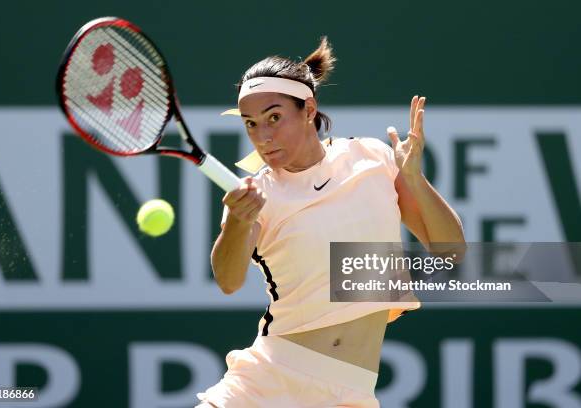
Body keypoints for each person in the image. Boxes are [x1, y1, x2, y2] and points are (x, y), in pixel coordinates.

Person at [196, 38, 465, 407]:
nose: (264, 136)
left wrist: (415, 180)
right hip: (266, 384)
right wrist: (237, 223)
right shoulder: (256, 195)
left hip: (350, 393)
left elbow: (451, 250)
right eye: (251, 124)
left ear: (308, 110)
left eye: (274, 117)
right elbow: (228, 280)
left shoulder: (373, 158)